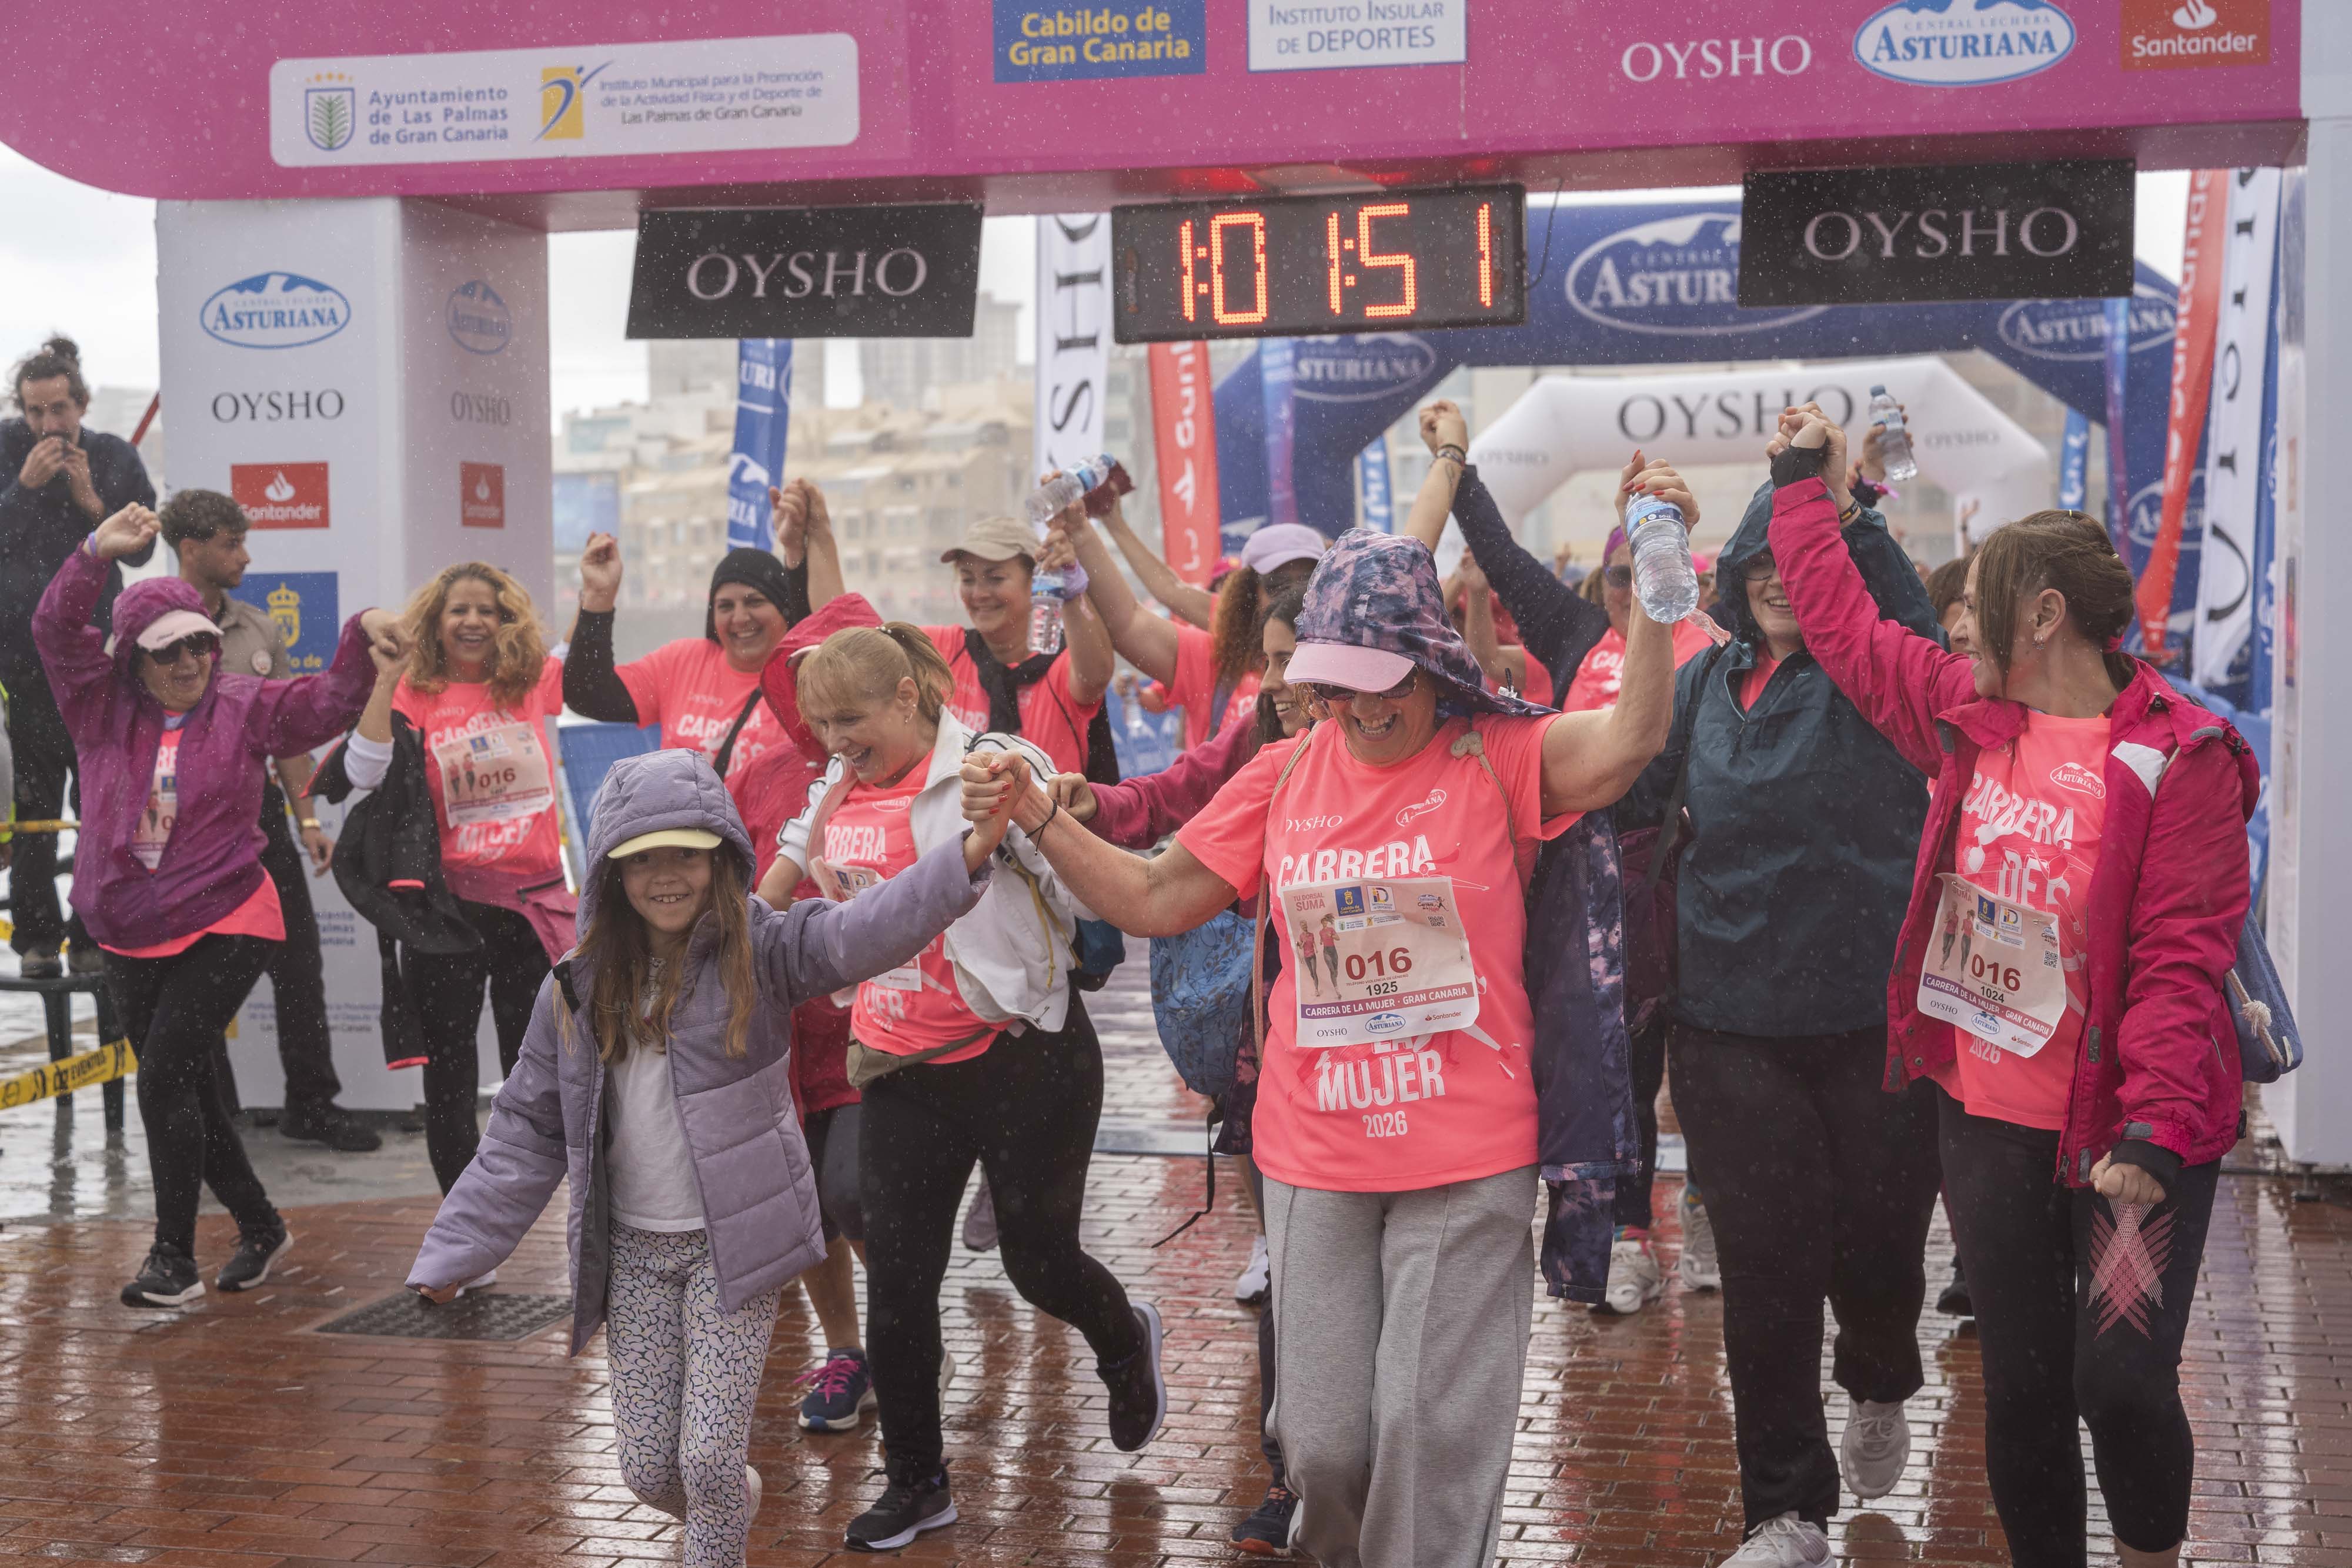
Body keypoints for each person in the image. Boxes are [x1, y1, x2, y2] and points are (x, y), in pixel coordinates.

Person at [963, 527, 1672, 1568]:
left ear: (1431, 662)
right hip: (1314, 1154)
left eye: (1383, 683)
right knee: (1326, 1444)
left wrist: (1656, 585)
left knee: (1425, 1437)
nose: (1364, 709)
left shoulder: (1499, 753)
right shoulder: (1285, 773)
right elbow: (1156, 893)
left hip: (1468, 1153)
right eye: (1336, 685)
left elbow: (1632, 740)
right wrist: (1036, 815)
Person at [1769, 409, 2255, 1568]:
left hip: (2136, 1135)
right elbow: (1841, 627)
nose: (1953, 618)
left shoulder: (2175, 755)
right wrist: (1798, 482)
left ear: (2039, 615)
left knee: (2121, 1378)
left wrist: (2145, 1123)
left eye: (1977, 594)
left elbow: (2182, 954)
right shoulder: (1968, 718)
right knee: (2025, 1392)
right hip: (1983, 1118)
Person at [409, 746, 1004, 1568]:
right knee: (651, 1467)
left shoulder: (760, 951)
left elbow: (865, 929)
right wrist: (454, 1251)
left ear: (719, 856)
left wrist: (966, 856)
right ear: (611, 873)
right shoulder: (574, 988)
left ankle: (718, 1525)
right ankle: (729, 1504)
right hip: (635, 1255)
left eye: (685, 853)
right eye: (642, 858)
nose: (665, 874)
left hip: (738, 1249)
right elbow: (523, 1132)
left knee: (710, 1457)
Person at [1603, 408, 1952, 1563]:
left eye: (1801, 570)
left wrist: (1840, 510)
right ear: (1734, 577)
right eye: (1761, 569)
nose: (1781, 588)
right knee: (1763, 1273)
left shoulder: (1877, 676)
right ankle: (1783, 1508)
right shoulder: (1704, 687)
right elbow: (1626, 787)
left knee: (1877, 1250)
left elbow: (1901, 616)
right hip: (1727, 1031)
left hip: (1870, 1025)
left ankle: (1879, 1373)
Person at [757, 623, 1165, 1552]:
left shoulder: (989, 756)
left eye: (851, 719)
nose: (835, 741)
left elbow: (1059, 818)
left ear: (908, 697)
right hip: (901, 1065)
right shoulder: (836, 784)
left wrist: (1015, 804)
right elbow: (788, 869)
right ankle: (917, 1482)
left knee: (1037, 1260)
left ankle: (1120, 1340)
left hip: (1025, 1054)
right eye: (821, 724)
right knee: (900, 1281)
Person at [1400, 399, 1720, 1315]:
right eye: (1617, 575)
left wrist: (1673, 519)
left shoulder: (1716, 637)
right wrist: (1455, 459)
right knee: (1614, 1062)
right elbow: (1500, 557)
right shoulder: (1582, 638)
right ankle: (1624, 1232)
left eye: (1645, 570)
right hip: (1591, 888)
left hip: (1693, 884)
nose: (1629, 588)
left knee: (1689, 1068)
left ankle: (1700, 1206)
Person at [35, 503, 396, 1306]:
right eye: (170, 650)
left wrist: (364, 630)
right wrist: (94, 549)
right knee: (188, 1090)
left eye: (200, 640)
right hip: (127, 922)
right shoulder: (98, 705)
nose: (192, 659)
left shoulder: (242, 702)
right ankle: (262, 1224)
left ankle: (172, 1258)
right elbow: (55, 629)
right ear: (132, 657)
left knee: (163, 1076)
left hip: (230, 912)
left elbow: (328, 701)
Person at [1030, 581, 1314, 1554]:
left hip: (1413, 1096)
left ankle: (1381, 1481)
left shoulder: (1440, 753)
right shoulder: (1266, 757)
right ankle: (1293, 1474)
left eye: (1290, 660)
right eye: (1266, 659)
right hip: (1282, 1060)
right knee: (1297, 1284)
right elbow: (1165, 822)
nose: (1271, 681)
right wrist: (1076, 806)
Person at [335, 563, 574, 1201]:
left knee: (541, 1072)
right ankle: (465, 1215)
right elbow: (361, 769)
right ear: (435, 624)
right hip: (447, 915)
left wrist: (600, 597)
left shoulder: (528, 682)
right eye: (458, 611)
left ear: (507, 623)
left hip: (529, 909)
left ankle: (528, 1199)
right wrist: (386, 679)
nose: (473, 622)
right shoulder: (416, 691)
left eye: (487, 611)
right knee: (449, 1075)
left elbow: (591, 671)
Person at [159, 488, 377, 1152]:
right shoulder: (145, 635)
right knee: (193, 972)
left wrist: (308, 818)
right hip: (180, 828)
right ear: (191, 549)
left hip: (258, 821)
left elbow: (286, 734)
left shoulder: (258, 628)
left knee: (298, 962)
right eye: (231, 543)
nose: (245, 556)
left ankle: (310, 1104)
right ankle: (213, 1109)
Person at [751, 589, 892, 1434]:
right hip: (783, 1034)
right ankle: (850, 1348)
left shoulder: (902, 770)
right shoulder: (761, 774)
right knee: (805, 1201)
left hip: (874, 1028)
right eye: (808, 683)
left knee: (853, 1194)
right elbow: (738, 891)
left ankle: (900, 1323)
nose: (825, 706)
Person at [562, 477, 842, 861]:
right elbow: (588, 693)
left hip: (780, 861)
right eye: (725, 606)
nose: (740, 617)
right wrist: (598, 597)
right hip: (691, 861)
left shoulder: (802, 672)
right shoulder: (684, 661)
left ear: (784, 609)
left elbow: (823, 628)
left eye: (754, 601)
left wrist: (799, 550)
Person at [2, 337, 157, 978]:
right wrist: (22, 489)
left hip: (96, 660)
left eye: (59, 411)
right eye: (35, 412)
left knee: (100, 800)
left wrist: (92, 499)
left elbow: (145, 552)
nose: (47, 426)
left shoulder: (115, 456)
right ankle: (36, 939)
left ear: (82, 404)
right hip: (20, 662)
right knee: (35, 805)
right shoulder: (6, 451)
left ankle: (94, 930)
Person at [1063, 502, 1325, 750]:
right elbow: (1130, 620)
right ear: (1249, 592)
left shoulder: (1344, 664)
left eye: (1307, 581)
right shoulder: (1216, 658)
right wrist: (1081, 531)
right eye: (1277, 584)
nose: (1294, 595)